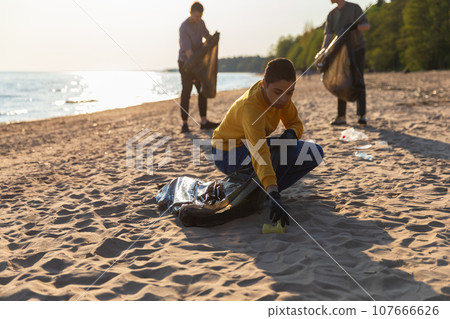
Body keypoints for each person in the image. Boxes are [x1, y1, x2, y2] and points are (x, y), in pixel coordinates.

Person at [211, 58, 324, 227]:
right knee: (286, 153)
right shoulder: (252, 108)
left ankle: (261, 192)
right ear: (264, 84)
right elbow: (260, 153)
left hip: (251, 145)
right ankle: (267, 191)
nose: (284, 99)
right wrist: (274, 194)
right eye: (278, 92)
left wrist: (291, 135)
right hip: (226, 153)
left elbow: (295, 123)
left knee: (315, 152)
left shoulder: (281, 95)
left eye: (290, 93)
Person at [321, 0, 370, 126]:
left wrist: (354, 26)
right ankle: (341, 116)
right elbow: (328, 36)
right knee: (340, 80)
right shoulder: (331, 15)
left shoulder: (354, 8)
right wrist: (323, 52)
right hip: (341, 51)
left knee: (359, 78)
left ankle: (362, 115)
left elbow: (366, 26)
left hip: (357, 48)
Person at [178, 2, 219, 133]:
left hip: (197, 63)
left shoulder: (201, 23)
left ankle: (204, 121)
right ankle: (184, 124)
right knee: (186, 92)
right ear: (191, 13)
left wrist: (214, 37)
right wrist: (196, 65)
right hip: (186, 63)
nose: (198, 19)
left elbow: (207, 37)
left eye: (200, 16)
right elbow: (188, 52)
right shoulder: (184, 28)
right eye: (196, 16)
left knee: (202, 91)